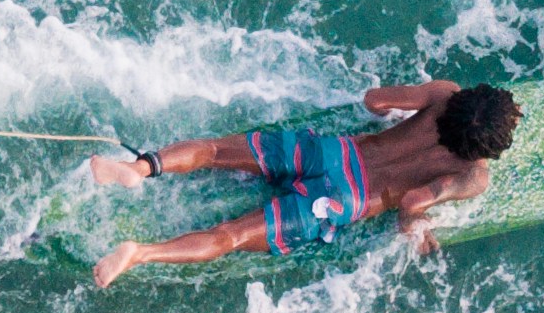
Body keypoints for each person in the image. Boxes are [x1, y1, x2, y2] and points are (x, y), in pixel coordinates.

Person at [86, 81, 522, 289]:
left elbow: (374, 101)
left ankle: (139, 169)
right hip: (340, 201)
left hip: (333, 154)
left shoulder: (444, 94)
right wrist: (419, 228)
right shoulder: (473, 176)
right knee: (231, 236)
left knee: (216, 151)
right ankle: (141, 253)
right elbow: (412, 201)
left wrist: (392, 119)